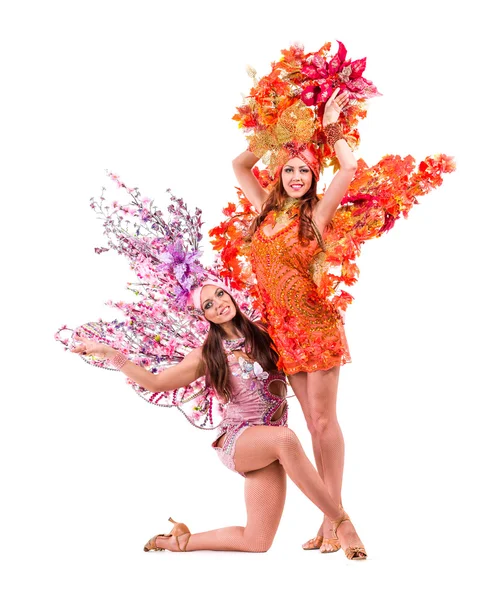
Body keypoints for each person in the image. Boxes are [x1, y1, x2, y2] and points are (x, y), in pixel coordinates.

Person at [71, 281, 365, 557]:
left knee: (257, 541)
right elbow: (156, 383)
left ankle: (178, 542)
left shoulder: (266, 334)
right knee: (286, 439)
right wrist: (111, 354)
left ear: (231, 294)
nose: (219, 305)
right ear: (205, 316)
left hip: (271, 446)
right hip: (239, 442)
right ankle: (341, 521)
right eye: (209, 305)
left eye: (221, 295)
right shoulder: (206, 356)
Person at [232, 88, 367, 556]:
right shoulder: (263, 212)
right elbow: (238, 166)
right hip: (283, 332)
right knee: (311, 423)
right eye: (288, 169)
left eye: (303, 171)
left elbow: (348, 169)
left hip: (317, 326)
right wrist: (279, 132)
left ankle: (335, 520)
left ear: (312, 179)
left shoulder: (316, 214)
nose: (294, 176)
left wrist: (330, 128)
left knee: (325, 422)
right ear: (279, 174)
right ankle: (332, 518)